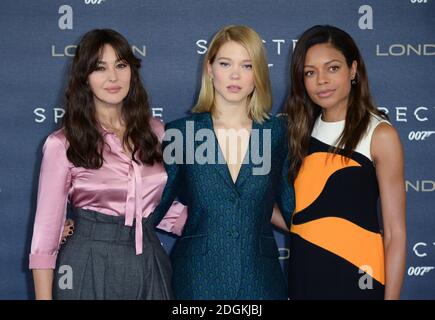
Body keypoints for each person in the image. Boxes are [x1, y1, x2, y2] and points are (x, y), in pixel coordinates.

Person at [29, 29, 187, 300]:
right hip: (88, 263)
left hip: (149, 260)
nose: (113, 77)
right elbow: (45, 237)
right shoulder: (62, 143)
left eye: (121, 65)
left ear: (132, 72)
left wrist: (224, 223)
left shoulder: (157, 132)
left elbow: (165, 208)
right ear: (84, 78)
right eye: (100, 68)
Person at [149, 25, 295, 300]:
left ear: (258, 74)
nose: (235, 75)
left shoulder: (277, 133)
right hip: (197, 280)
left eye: (247, 65)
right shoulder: (182, 133)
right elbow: (153, 205)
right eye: (225, 63)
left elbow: (292, 211)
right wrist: (92, 227)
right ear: (209, 68)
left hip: (261, 282)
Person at [283, 25, 406, 299]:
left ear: (353, 70)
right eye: (310, 72)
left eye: (333, 68)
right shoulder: (297, 132)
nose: (321, 80)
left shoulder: (379, 134)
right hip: (305, 278)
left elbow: (395, 234)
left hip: (359, 278)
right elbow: (301, 217)